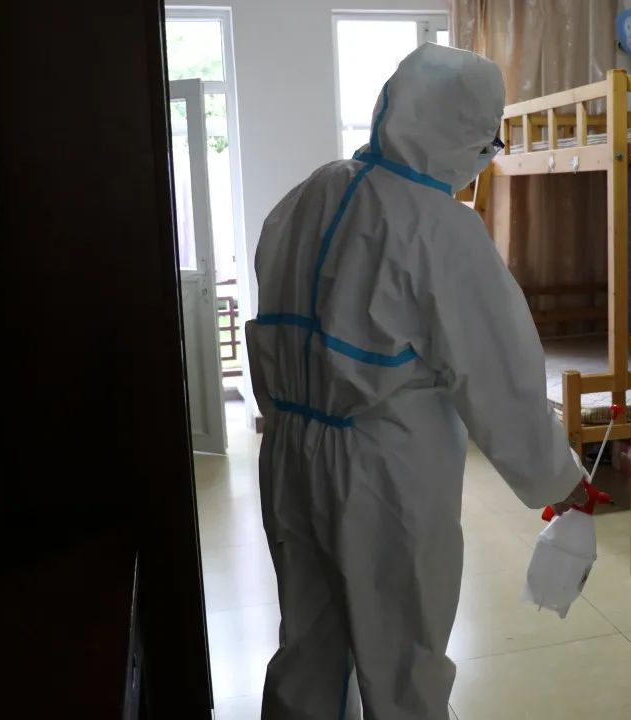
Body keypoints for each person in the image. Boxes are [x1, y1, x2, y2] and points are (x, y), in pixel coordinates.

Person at [246, 42, 587, 720]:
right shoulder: (440, 227)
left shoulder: (311, 192)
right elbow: (500, 379)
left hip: (288, 451)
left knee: (308, 640)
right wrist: (559, 480)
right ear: (461, 133)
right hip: (383, 470)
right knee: (402, 656)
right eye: (485, 141)